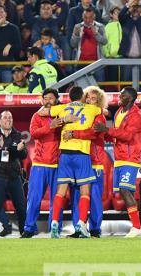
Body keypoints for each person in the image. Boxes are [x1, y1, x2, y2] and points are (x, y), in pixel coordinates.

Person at [42, 86, 101, 239]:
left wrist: (63, 119)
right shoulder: (91, 109)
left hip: (65, 154)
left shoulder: (62, 107)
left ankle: (54, 222)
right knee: (85, 191)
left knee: (60, 191)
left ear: (69, 97)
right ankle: (81, 224)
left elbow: (42, 112)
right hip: (81, 153)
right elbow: (104, 111)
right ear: (82, 96)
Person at [94, 87, 141, 238]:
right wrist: (105, 134)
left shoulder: (136, 115)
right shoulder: (119, 112)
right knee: (123, 191)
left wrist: (107, 130)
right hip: (119, 157)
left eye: (122, 95)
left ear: (130, 98)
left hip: (130, 157)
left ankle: (137, 227)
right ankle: (137, 227)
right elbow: (117, 134)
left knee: (124, 189)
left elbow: (128, 136)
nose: (119, 96)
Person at [65, 86, 109, 238]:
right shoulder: (80, 114)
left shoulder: (99, 116)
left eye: (94, 99)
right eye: (88, 98)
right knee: (77, 196)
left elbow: (94, 133)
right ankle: (79, 227)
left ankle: (95, 229)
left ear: (99, 102)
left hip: (95, 161)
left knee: (95, 197)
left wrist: (74, 133)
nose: (90, 101)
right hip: (80, 158)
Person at [21, 89, 62, 238]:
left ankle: (55, 229)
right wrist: (50, 126)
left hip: (58, 164)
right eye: (46, 98)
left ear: (57, 100)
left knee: (57, 200)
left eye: (51, 98)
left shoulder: (62, 114)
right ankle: (29, 228)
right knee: (34, 198)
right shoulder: (37, 116)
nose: (48, 101)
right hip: (40, 163)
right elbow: (34, 134)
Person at [0, 110, 27, 238]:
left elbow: (23, 154)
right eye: (5, 118)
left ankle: (24, 233)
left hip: (14, 176)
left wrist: (9, 149)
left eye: (10, 118)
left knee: (21, 207)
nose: (8, 120)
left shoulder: (18, 134)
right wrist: (10, 149)